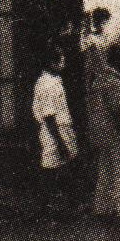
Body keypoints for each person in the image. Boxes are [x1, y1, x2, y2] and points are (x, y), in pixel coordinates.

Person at [92, 43, 120, 220]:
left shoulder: (98, 80)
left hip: (101, 133)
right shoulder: (115, 83)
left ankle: (102, 208)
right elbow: (119, 113)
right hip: (116, 134)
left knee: (105, 171)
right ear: (118, 61)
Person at [32, 48, 79, 211]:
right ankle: (45, 208)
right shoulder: (46, 84)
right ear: (52, 62)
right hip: (54, 131)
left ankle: (69, 205)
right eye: (61, 60)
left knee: (66, 165)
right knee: (50, 168)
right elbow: (49, 116)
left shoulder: (55, 80)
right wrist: (59, 142)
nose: (64, 63)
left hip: (63, 128)